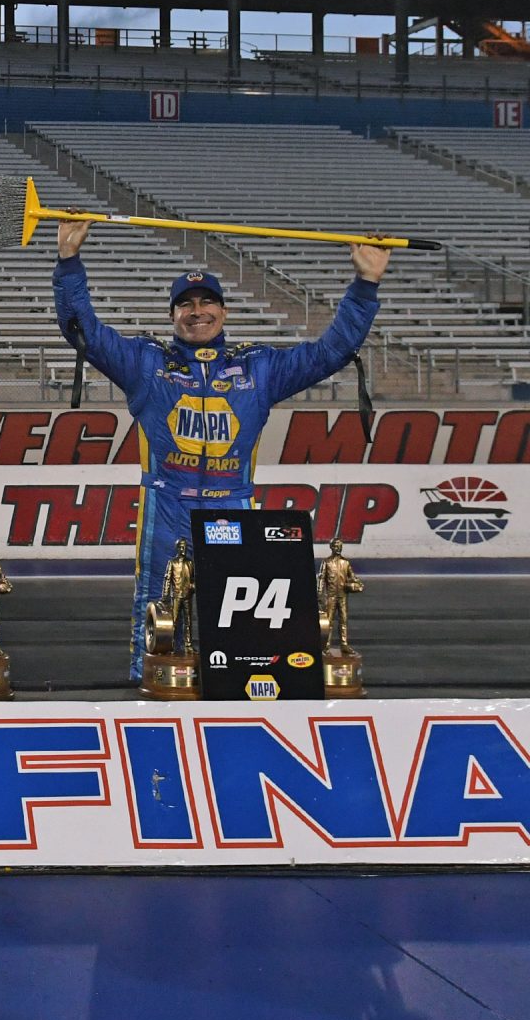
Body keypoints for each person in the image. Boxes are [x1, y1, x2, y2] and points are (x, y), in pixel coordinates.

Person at [53, 220, 388, 679]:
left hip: (234, 506)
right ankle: (148, 688)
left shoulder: (260, 367)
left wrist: (365, 284)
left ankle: (239, 687)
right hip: (167, 504)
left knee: (240, 613)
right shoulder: (146, 363)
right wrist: (69, 261)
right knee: (157, 606)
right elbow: (81, 330)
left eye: (207, 301)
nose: (197, 311)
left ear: (224, 312)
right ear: (172, 317)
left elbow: (332, 351)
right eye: (185, 305)